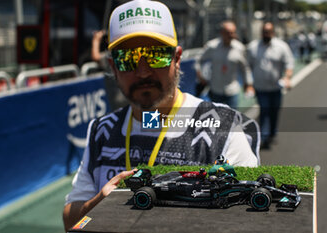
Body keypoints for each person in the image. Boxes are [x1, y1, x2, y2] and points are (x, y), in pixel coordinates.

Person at [63, 0, 258, 231]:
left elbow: (248, 220)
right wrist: (98, 205)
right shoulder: (101, 131)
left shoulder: (224, 127)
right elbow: (70, 221)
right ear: (113, 67)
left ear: (177, 58)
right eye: (128, 58)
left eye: (156, 55)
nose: (143, 71)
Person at [247, 22, 294, 149]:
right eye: (264, 31)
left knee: (274, 111)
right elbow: (247, 66)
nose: (266, 34)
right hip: (261, 87)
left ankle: (272, 132)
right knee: (264, 111)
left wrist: (287, 77)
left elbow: (289, 64)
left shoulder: (281, 46)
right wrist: (249, 84)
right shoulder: (253, 47)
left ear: (273, 32)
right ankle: (264, 136)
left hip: (275, 87)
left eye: (268, 31)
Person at [195, 20, 254, 109]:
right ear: (222, 33)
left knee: (232, 120)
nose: (231, 35)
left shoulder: (239, 48)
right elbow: (198, 60)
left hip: (232, 91)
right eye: (228, 33)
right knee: (216, 119)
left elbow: (245, 68)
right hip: (215, 91)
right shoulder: (212, 46)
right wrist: (200, 75)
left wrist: (248, 84)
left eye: (233, 33)